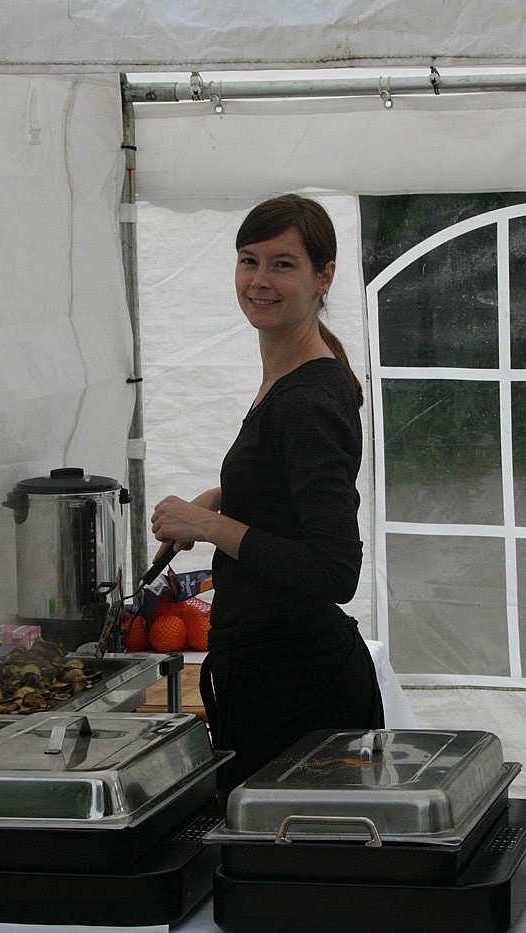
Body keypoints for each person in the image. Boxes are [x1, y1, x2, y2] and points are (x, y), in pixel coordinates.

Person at [150, 193, 386, 797]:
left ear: (323, 276)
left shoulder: (306, 400)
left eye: (283, 264)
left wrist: (207, 527)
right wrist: (221, 496)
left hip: (299, 691)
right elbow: (287, 481)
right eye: (248, 260)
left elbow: (333, 570)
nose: (259, 280)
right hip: (272, 677)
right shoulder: (293, 373)